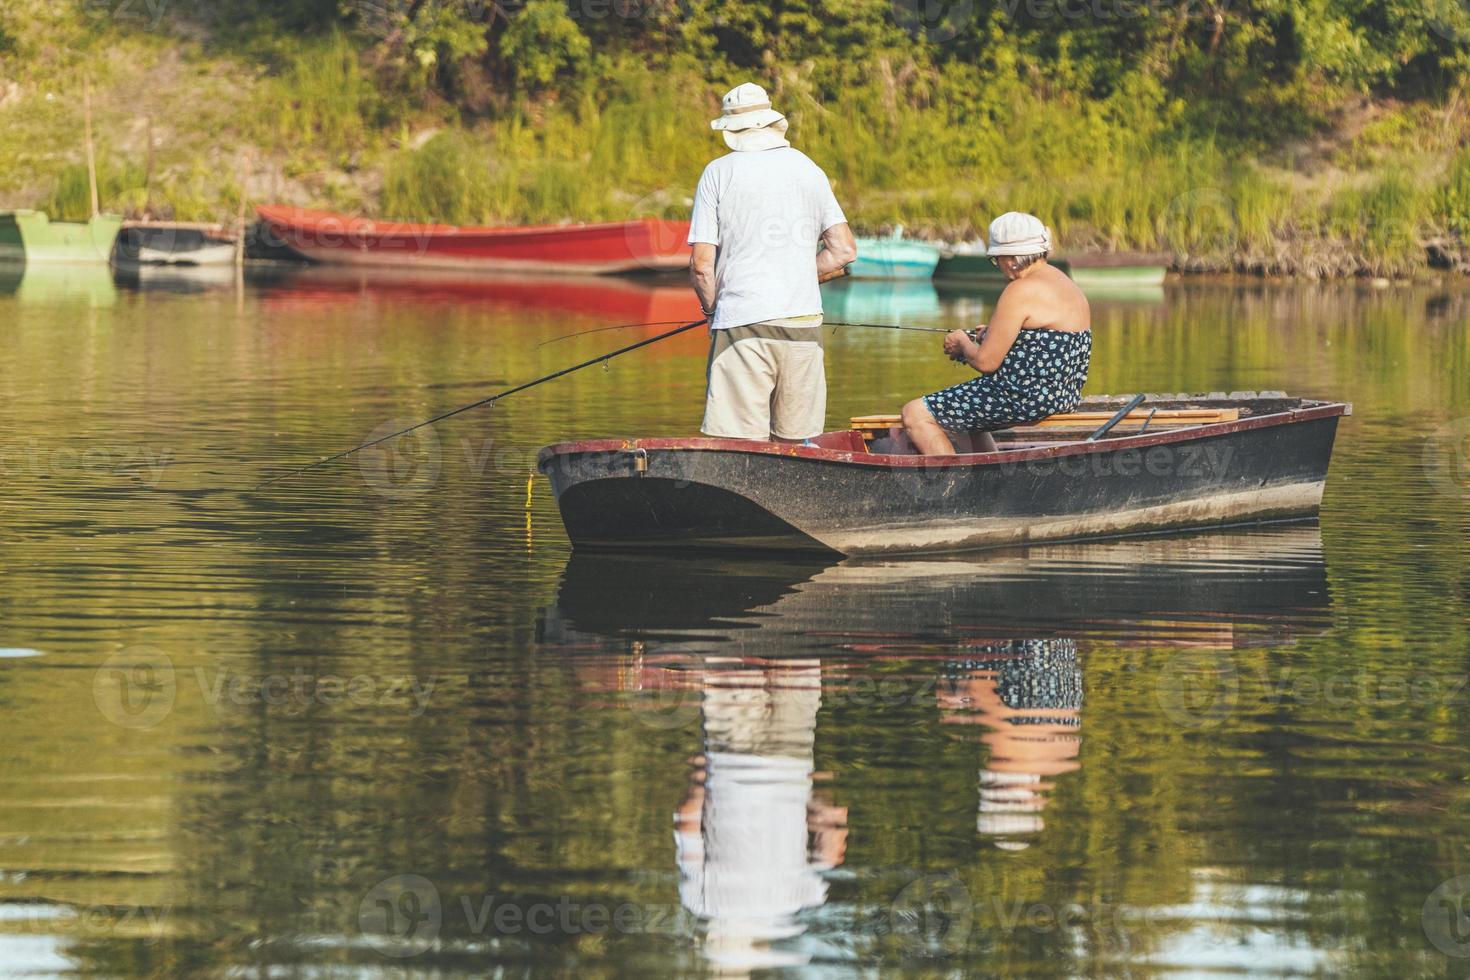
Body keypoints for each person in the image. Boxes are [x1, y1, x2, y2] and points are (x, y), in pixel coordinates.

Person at [688, 82, 857, 443]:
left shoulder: (718, 173)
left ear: (730, 128)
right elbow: (843, 251)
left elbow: (702, 264)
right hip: (804, 325)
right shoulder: (808, 168)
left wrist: (711, 311)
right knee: (797, 443)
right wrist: (798, 273)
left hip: (742, 325)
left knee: (738, 444)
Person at [901, 212, 1091, 454]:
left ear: (1011, 258)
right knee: (967, 420)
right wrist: (991, 334)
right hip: (1061, 396)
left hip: (1026, 398)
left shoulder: (1020, 290)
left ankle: (952, 485)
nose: (999, 266)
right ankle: (991, 474)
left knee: (915, 413)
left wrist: (962, 343)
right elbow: (1046, 339)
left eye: (997, 259)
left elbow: (986, 362)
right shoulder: (1064, 282)